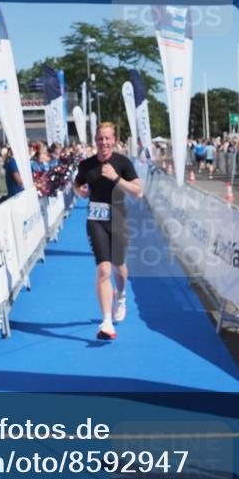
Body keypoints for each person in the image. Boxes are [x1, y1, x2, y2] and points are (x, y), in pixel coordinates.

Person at [74, 123, 143, 340]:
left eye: (107, 138)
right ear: (95, 140)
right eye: (100, 138)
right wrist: (81, 192)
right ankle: (106, 321)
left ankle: (121, 296)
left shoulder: (122, 163)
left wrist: (116, 177)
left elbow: (138, 192)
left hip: (119, 220)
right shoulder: (86, 165)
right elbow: (77, 185)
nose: (103, 142)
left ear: (113, 140)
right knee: (103, 270)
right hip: (95, 221)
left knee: (119, 266)